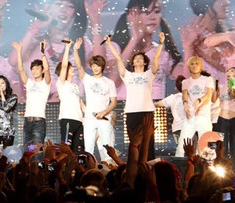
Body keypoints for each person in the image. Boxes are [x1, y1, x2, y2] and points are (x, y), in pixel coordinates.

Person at [0, 0, 108, 101]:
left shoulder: (80, 43)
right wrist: (36, 27)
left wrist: (95, 21)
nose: (63, 10)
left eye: (70, 6)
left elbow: (99, 63)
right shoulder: (35, 42)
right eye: (58, 4)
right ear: (47, 7)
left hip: (73, 108)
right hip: (41, 109)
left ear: (75, 13)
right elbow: (13, 61)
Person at [109, 0, 183, 99]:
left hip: (154, 108)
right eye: (146, 12)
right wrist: (134, 39)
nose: (153, 17)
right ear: (131, 15)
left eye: (156, 12)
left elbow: (186, 80)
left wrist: (189, 47)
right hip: (124, 107)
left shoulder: (162, 52)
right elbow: (112, 82)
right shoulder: (116, 48)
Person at [106, 32, 164, 161]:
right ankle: (134, 166)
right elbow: (118, 59)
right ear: (132, 63)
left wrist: (161, 43)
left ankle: (148, 166)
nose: (137, 59)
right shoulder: (128, 76)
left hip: (147, 112)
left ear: (145, 62)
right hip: (131, 112)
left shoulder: (149, 74)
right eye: (135, 58)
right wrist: (109, 43)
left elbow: (156, 58)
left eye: (140, 58)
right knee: (134, 142)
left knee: (148, 141)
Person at [182, 0, 235, 83]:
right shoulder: (196, 37)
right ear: (207, 0)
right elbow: (186, 81)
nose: (227, 2)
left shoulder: (221, 34)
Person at [73, 38, 117, 161]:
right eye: (93, 66)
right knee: (88, 149)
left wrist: (104, 112)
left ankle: (110, 168)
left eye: (98, 66)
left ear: (102, 66)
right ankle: (89, 169)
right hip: (89, 119)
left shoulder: (109, 82)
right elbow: (79, 66)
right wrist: (75, 50)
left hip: (104, 119)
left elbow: (114, 102)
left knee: (107, 148)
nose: (95, 68)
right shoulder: (88, 79)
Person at [12, 40, 50, 148]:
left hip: (39, 122)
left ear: (42, 70)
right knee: (27, 150)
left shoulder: (45, 83)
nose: (34, 71)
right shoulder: (29, 83)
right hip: (27, 121)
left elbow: (47, 69)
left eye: (37, 68)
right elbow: (21, 69)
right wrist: (19, 52)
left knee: (37, 150)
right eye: (32, 69)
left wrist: (43, 53)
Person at [175, 56, 215, 157]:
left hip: (204, 117)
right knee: (182, 145)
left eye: (197, 64)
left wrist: (198, 101)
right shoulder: (185, 82)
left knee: (204, 147)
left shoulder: (208, 79)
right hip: (190, 117)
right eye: (192, 64)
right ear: (189, 67)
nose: (194, 66)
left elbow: (208, 95)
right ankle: (177, 165)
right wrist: (185, 104)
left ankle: (205, 166)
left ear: (201, 66)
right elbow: (184, 95)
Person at [55, 39, 85, 154]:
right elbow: (63, 66)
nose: (73, 68)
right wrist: (68, 47)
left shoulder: (75, 86)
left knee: (78, 150)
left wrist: (90, 115)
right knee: (67, 149)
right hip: (67, 119)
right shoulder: (61, 83)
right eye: (70, 67)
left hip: (79, 121)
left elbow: (81, 103)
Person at [215, 67, 235, 170]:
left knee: (234, 146)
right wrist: (215, 88)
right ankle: (222, 171)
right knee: (222, 147)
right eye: (227, 71)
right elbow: (213, 99)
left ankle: (234, 171)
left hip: (234, 119)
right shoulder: (221, 87)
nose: (228, 73)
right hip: (222, 119)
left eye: (231, 71)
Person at [155, 75, 186, 146]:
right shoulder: (192, 97)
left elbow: (157, 104)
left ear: (176, 87)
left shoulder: (172, 98)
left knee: (181, 149)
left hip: (177, 129)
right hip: (189, 128)